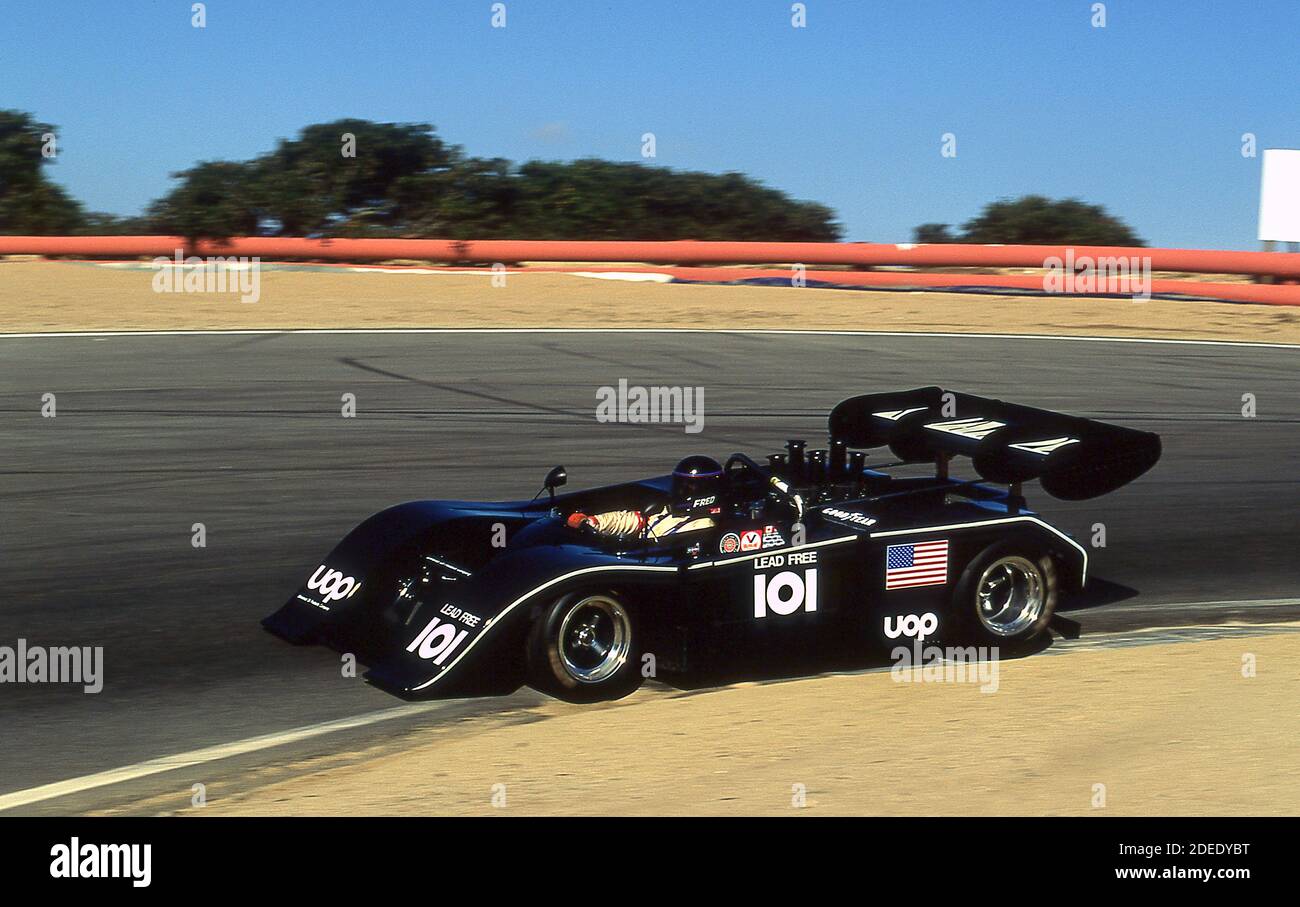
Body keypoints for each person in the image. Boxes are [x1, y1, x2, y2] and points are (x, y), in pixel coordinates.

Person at [567, 455, 725, 541]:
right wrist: (594, 521)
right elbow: (631, 521)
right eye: (680, 483)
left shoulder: (702, 526)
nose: (681, 490)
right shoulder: (667, 511)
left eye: (689, 485)